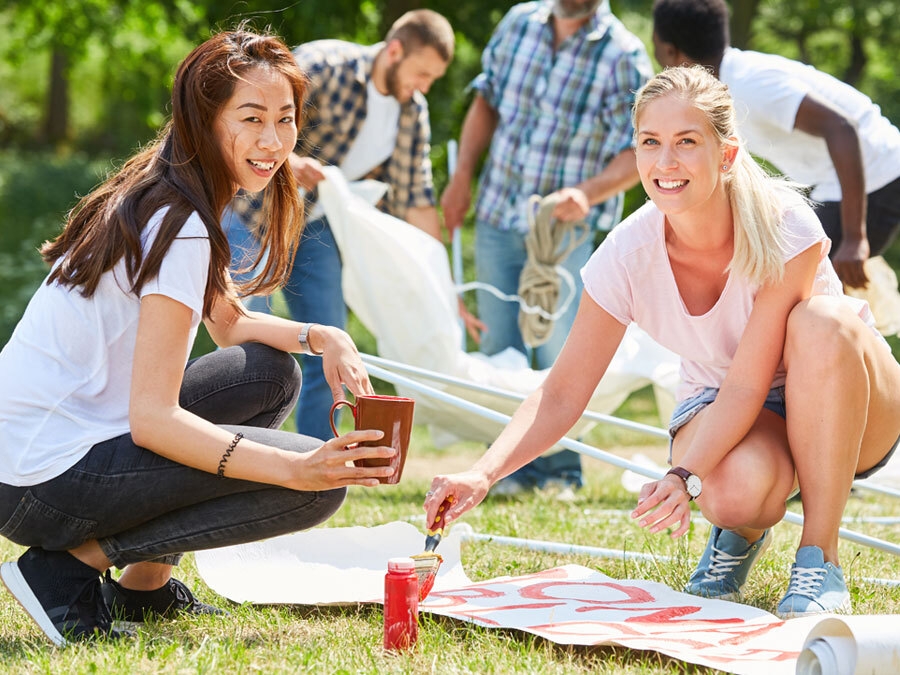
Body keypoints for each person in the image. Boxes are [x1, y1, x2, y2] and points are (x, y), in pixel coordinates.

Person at [424, 66, 900, 618]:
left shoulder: (783, 223)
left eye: (686, 143)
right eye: (650, 143)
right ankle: (738, 534)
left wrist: (683, 473)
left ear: (726, 155)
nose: (665, 162)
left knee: (822, 320)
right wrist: (482, 472)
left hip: (850, 399)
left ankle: (820, 558)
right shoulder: (627, 255)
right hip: (744, 411)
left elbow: (751, 378)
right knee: (731, 492)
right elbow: (562, 394)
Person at [0, 29, 397, 646]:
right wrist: (293, 470)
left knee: (270, 372)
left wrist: (326, 336)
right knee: (315, 490)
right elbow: (153, 422)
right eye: (251, 118)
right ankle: (66, 569)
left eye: (286, 120)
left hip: (32, 456)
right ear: (204, 119)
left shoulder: (165, 191)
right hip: (39, 481)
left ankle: (144, 590)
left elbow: (230, 324)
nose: (273, 141)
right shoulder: (181, 224)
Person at [225, 10, 481, 442]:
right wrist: (291, 161)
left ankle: (318, 464)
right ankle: (236, 457)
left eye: (433, 79)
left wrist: (443, 286)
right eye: (422, 73)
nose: (425, 87)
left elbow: (416, 199)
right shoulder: (324, 65)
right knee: (248, 342)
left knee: (332, 348)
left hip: (314, 228)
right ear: (395, 50)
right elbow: (251, 117)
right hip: (252, 212)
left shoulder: (410, 112)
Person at [440, 0, 652, 493]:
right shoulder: (517, 22)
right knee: (499, 345)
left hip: (565, 231)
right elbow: (485, 103)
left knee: (560, 349)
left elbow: (636, 146)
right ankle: (502, 472)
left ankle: (560, 471)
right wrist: (462, 177)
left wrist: (589, 192)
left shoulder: (624, 54)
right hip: (497, 211)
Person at [651, 0, 900, 290]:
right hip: (835, 181)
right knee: (786, 281)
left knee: (798, 289)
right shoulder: (721, 89)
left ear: (670, 51)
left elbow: (841, 128)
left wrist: (855, 238)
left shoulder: (751, 86)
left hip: (877, 171)